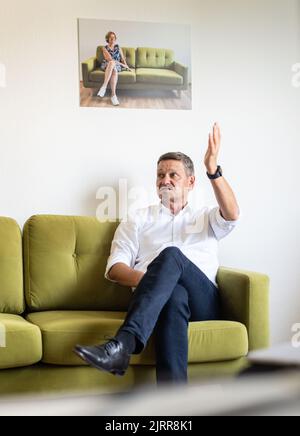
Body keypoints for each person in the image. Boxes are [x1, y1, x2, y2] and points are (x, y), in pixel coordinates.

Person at [75, 123, 240, 384]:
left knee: (171, 255)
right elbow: (115, 268)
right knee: (173, 295)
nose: (165, 180)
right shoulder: (138, 218)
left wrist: (213, 170)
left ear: (191, 181)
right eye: (160, 175)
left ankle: (123, 343)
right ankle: (172, 405)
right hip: (164, 299)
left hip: (203, 301)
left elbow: (232, 214)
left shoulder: (205, 216)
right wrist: (158, 282)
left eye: (173, 175)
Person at [97, 31, 132, 106]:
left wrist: (126, 66)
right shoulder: (104, 48)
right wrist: (122, 64)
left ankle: (104, 88)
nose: (112, 39)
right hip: (107, 64)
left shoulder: (118, 47)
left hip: (116, 66)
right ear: (108, 39)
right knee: (112, 63)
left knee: (115, 70)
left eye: (114, 38)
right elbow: (109, 59)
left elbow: (122, 58)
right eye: (111, 38)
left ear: (115, 39)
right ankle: (113, 96)